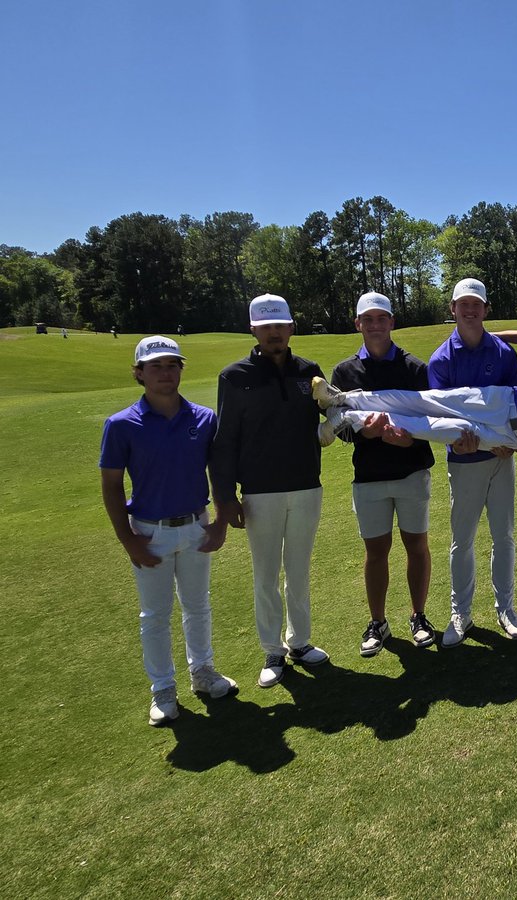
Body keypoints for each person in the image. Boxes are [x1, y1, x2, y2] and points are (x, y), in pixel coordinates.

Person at [315, 330, 517, 634]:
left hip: (506, 437)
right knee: (429, 401)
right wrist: (490, 333)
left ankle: (349, 418)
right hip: (501, 401)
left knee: (438, 429)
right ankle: (344, 399)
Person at [100, 336, 235, 726]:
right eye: (156, 366)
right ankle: (162, 688)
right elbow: (111, 485)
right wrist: (128, 540)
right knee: (155, 615)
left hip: (195, 524)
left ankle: (203, 673)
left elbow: (220, 473)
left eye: (172, 365)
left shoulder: (205, 418)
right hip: (149, 532)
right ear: (139, 373)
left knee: (198, 606)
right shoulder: (121, 424)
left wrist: (221, 524)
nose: (165, 373)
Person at [211, 294, 330, 689]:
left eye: (280, 325)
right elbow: (224, 440)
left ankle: (299, 642)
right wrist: (225, 497)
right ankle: (272, 650)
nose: (274, 333)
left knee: (298, 571)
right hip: (260, 492)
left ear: (291, 327)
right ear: (254, 330)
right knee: (265, 574)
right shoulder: (235, 376)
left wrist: (334, 420)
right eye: (266, 327)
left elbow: (333, 412)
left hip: (306, 486)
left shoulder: (308, 372)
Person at [329, 291, 437, 657]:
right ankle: (378, 622)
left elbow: (430, 424)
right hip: (369, 477)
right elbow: (338, 426)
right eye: (368, 319)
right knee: (376, 552)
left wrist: (406, 441)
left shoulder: (415, 369)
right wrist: (366, 432)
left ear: (392, 322)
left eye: (382, 318)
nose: (375, 325)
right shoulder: (344, 372)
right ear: (358, 324)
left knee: (416, 547)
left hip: (411, 472)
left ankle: (418, 616)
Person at [426, 277, 517, 647]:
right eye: (463, 305)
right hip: (464, 461)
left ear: (485, 309)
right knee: (462, 541)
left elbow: (512, 407)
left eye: (476, 305)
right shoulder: (441, 359)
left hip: (501, 459)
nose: (470, 311)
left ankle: (506, 609)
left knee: (504, 537)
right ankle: (461, 613)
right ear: (453, 309)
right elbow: (441, 416)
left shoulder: (502, 353)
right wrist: (473, 439)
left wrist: (509, 442)